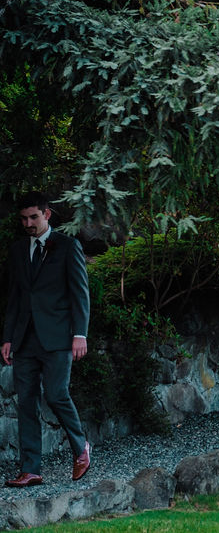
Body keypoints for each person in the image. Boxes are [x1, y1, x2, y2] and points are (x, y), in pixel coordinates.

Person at [2, 192, 92, 487]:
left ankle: (80, 447)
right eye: (23, 219)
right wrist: (7, 337)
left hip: (58, 338)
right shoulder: (17, 250)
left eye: (33, 217)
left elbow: (80, 294)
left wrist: (80, 334)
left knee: (55, 394)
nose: (28, 223)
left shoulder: (68, 246)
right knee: (26, 403)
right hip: (24, 339)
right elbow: (15, 297)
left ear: (47, 214)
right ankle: (31, 469)